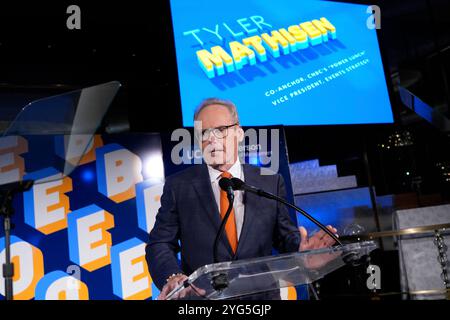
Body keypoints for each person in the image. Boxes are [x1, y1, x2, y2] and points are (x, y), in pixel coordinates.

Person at [145, 98, 338, 300]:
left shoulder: (270, 182)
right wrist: (173, 276)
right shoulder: (179, 186)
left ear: (238, 133)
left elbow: (284, 235)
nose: (212, 139)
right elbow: (159, 243)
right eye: (204, 133)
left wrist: (302, 250)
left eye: (220, 129)